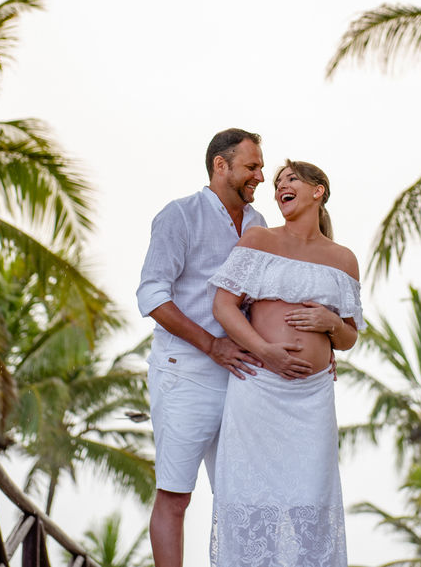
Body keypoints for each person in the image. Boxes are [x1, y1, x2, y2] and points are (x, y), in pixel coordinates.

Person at [138, 129, 306, 567]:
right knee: (175, 495)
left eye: (261, 166)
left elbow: (269, 301)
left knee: (244, 498)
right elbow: (152, 295)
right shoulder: (179, 216)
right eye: (252, 166)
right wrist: (212, 344)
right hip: (185, 373)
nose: (261, 176)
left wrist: (314, 349)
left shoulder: (258, 226)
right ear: (221, 165)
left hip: (244, 379)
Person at [209, 160, 362, 567]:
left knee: (310, 501)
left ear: (318, 191)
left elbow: (348, 337)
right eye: (277, 184)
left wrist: (331, 323)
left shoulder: (343, 259)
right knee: (253, 501)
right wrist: (264, 351)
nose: (280, 187)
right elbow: (223, 306)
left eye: (291, 179)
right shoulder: (259, 239)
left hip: (312, 400)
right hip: (259, 390)